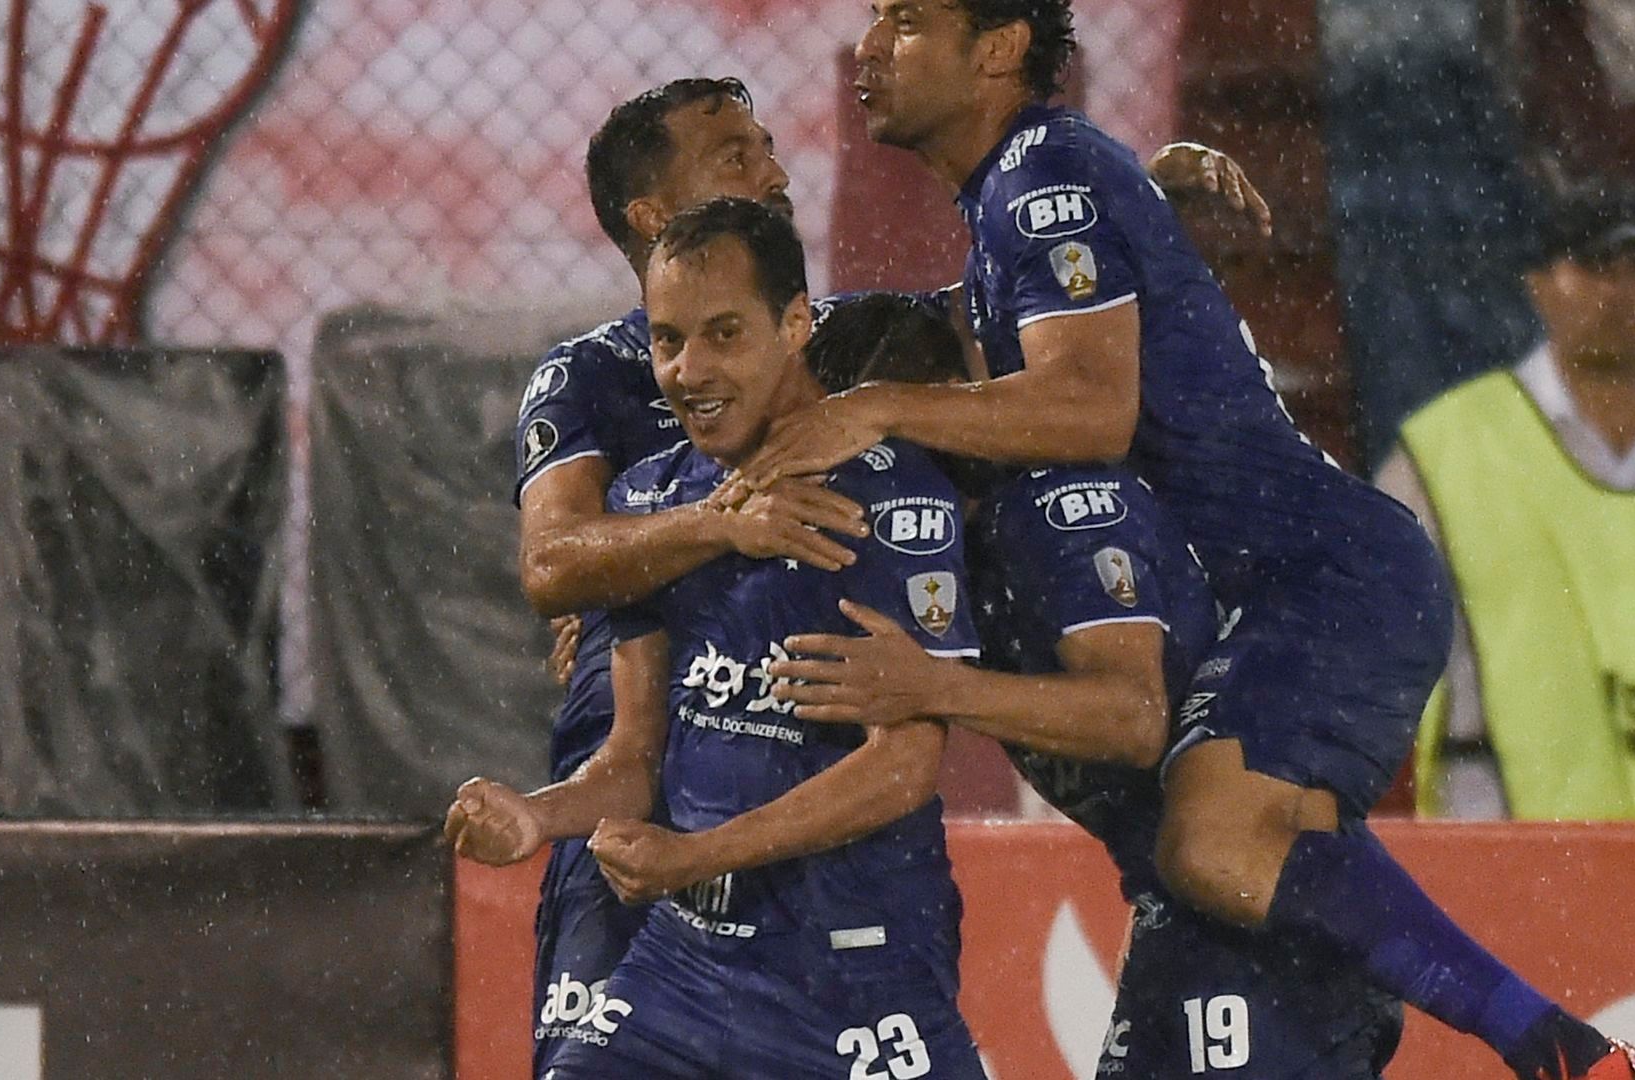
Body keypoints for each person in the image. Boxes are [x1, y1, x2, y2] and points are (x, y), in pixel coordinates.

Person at [737, 3, 1635, 1077]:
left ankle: (1560, 1048)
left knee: (1212, 839)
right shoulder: (1031, 191)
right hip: (1308, 594)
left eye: (907, 22)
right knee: (1219, 852)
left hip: (1326, 576)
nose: (872, 47)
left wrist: (882, 407)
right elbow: (953, 330)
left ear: (996, 48)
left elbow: (1089, 404)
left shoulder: (1038, 200)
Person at [504, 74, 1274, 1073]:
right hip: (641, 807)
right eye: (736, 154)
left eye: (768, 145)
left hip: (820, 837)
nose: (774, 171)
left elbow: (998, 315)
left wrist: (1134, 202)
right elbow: (555, 562)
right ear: (652, 216)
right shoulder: (591, 377)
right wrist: (711, 530)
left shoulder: (832, 347)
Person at [781, 292, 1406, 1076]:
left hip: (1263, 926)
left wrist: (936, 688)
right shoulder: (965, 550)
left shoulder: (1052, 511)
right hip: (1196, 918)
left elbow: (1134, 714)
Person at [451, 198, 989, 1079]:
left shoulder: (886, 496)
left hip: (853, 970)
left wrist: (697, 854)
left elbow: (902, 768)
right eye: (668, 340)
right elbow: (634, 759)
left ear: (795, 324)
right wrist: (538, 816)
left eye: (725, 334)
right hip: (688, 971)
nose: (689, 370)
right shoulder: (653, 504)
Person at [1376, 179, 1635, 821]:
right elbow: (1365, 642)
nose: (1617, 294)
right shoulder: (1446, 449)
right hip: (1505, 822)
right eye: (1593, 267)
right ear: (1539, 283)